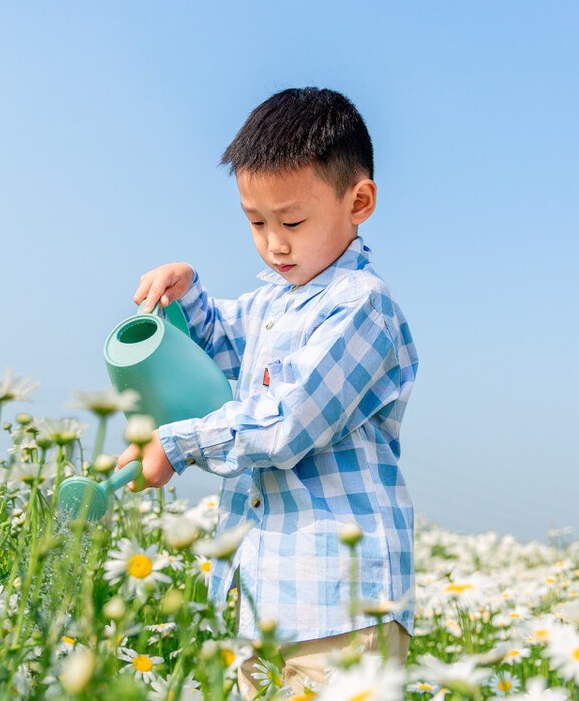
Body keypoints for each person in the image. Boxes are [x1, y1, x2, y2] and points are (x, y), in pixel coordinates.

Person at [117, 87, 418, 697]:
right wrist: (187, 292)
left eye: (292, 221)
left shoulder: (362, 308)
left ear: (358, 201)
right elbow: (223, 341)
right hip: (262, 599)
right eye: (256, 222)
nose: (274, 243)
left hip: (343, 603)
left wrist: (176, 445)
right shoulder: (272, 301)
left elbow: (285, 420)